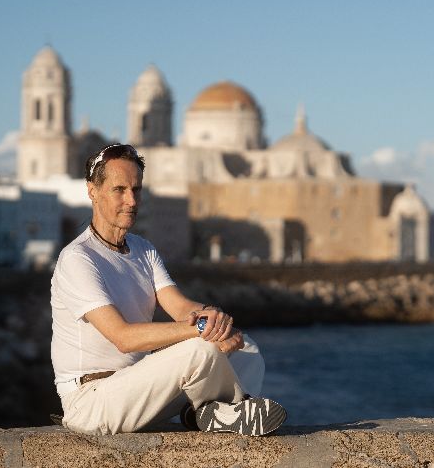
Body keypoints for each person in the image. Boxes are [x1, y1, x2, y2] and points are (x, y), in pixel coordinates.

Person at [51, 143, 286, 436]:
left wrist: (210, 317)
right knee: (201, 349)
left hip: (141, 391)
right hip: (92, 401)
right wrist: (201, 330)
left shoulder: (142, 249)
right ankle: (233, 409)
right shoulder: (78, 258)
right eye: (119, 190)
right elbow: (122, 337)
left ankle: (204, 414)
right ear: (92, 191)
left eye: (136, 190)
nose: (131, 201)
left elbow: (179, 307)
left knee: (245, 347)